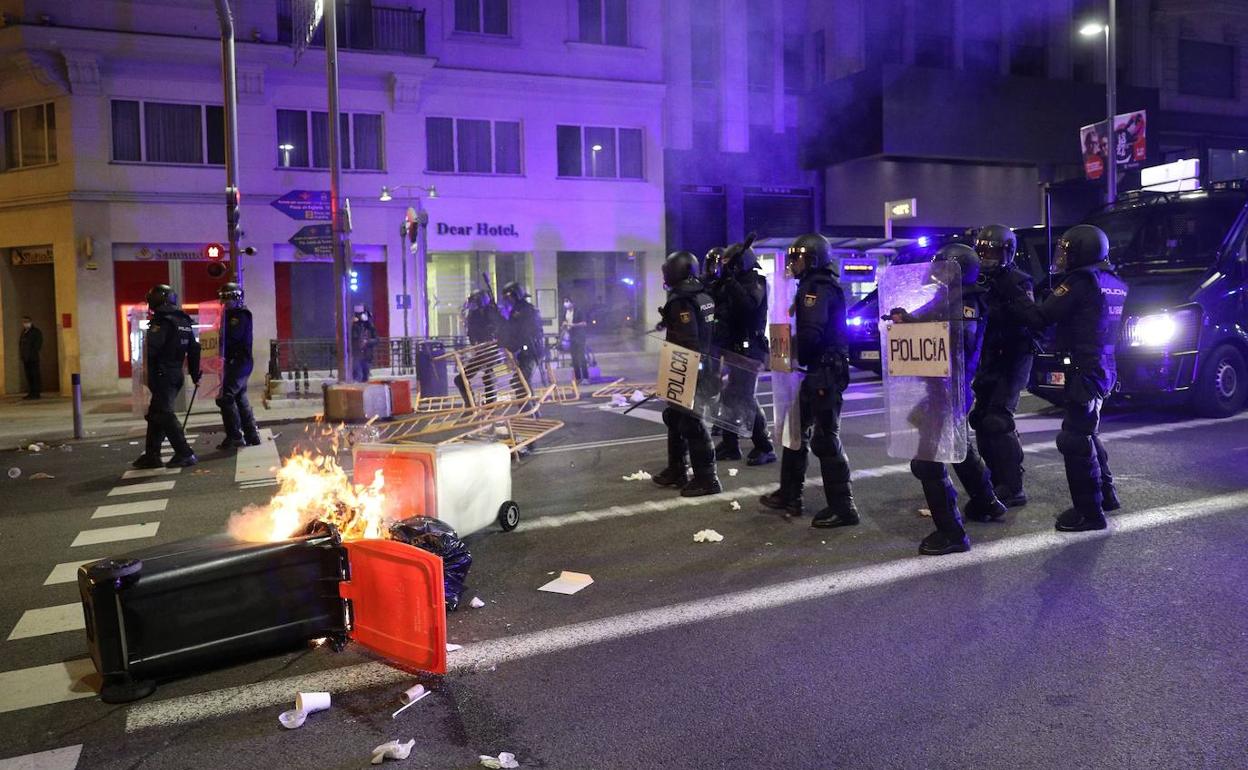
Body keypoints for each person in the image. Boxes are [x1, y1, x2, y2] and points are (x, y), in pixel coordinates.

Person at [991, 224, 1126, 531]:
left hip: (1084, 368)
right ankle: (1106, 495)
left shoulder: (1081, 280)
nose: (1062, 257)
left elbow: (1041, 316)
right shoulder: (1112, 279)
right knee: (1087, 431)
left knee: (1074, 438)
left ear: (1082, 252)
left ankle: (1089, 513)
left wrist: (1015, 295)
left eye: (1067, 251)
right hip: (1104, 365)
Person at [890, 243, 1007, 556]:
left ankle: (952, 532)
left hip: (950, 391)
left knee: (928, 462)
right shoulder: (947, 297)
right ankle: (987, 503)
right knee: (960, 449)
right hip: (940, 390)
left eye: (943, 267)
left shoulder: (968, 303)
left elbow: (959, 339)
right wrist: (906, 319)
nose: (936, 272)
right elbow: (926, 319)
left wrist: (921, 327)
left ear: (957, 270)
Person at [759, 233, 858, 527]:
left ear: (813, 260)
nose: (793, 263)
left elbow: (812, 335)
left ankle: (844, 508)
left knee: (825, 439)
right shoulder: (810, 287)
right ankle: (790, 493)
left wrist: (789, 349)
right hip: (817, 369)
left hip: (825, 370)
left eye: (798, 258)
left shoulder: (816, 288)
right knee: (795, 431)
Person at [969, 224, 1034, 507]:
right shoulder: (976, 280)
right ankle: (994, 478)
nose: (986, 257)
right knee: (981, 419)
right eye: (981, 251)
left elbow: (1028, 319)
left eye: (992, 252)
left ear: (1008, 251)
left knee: (998, 420)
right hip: (987, 358)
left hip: (1012, 358)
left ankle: (1013, 484)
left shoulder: (1018, 282)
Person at [651, 251, 721, 497]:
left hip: (687, 365)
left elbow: (687, 338)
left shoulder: (682, 299)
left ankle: (707, 478)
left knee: (690, 422)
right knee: (674, 416)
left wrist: (679, 371)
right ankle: (677, 468)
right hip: (702, 364)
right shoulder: (702, 295)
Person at [710, 237, 775, 465]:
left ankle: (765, 446)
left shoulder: (755, 279)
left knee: (745, 397)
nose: (727, 268)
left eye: (731, 264)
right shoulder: (732, 281)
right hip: (733, 347)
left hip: (751, 349)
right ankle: (730, 444)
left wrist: (731, 281)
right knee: (729, 396)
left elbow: (748, 306)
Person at [133, 284, 201, 469]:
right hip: (176, 373)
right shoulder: (184, 320)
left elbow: (152, 350)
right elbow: (194, 350)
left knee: (164, 413)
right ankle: (152, 455)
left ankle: (185, 453)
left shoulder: (161, 322)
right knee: (156, 415)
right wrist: (195, 375)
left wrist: (143, 371)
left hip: (162, 374)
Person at [214, 282, 261, 451]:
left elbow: (232, 338)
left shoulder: (239, 316)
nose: (224, 302)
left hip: (239, 362)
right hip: (234, 362)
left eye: (227, 298)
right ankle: (251, 435)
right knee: (240, 397)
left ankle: (235, 436)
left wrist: (216, 339)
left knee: (225, 397)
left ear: (236, 298)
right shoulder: (227, 315)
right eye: (222, 298)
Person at [456, 290, 502, 402]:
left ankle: (490, 405)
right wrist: (476, 345)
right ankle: (471, 404)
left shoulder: (493, 313)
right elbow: (472, 333)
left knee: (488, 376)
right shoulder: (474, 316)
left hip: (492, 351)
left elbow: (500, 330)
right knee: (460, 379)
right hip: (481, 351)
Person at [499, 282, 545, 393]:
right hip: (525, 353)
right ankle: (530, 407)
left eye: (508, 297)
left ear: (515, 295)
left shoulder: (526, 310)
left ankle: (532, 408)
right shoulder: (516, 311)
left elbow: (523, 332)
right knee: (520, 383)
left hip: (531, 352)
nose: (507, 300)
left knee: (521, 383)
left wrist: (512, 345)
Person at [561, 297, 590, 383]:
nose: (565, 303)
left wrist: (573, 325)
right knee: (574, 358)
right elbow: (564, 323)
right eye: (564, 301)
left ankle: (585, 377)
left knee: (581, 357)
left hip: (579, 336)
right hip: (571, 336)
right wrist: (563, 326)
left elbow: (584, 323)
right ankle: (578, 378)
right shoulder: (565, 312)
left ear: (572, 303)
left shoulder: (578, 311)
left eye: (567, 301)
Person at [350, 305, 378, 383]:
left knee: (365, 377)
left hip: (367, 356)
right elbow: (351, 338)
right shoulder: (354, 326)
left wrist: (368, 341)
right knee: (358, 376)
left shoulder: (370, 327)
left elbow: (376, 339)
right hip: (357, 355)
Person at [18, 315, 42, 400]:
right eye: (23, 322)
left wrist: (32, 353)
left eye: (26, 321)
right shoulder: (24, 332)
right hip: (26, 359)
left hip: (33, 358)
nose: (25, 323)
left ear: (30, 322)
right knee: (29, 376)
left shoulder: (35, 332)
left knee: (34, 376)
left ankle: (36, 393)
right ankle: (31, 393)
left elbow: (38, 344)